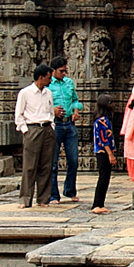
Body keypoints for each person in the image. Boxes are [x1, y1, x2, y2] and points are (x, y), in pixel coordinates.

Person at [13, 63, 56, 208]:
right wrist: (25, 130)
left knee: (46, 165)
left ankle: (43, 198)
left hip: (47, 128)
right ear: (41, 78)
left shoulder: (48, 93)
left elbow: (50, 111)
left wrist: (52, 126)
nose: (50, 81)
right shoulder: (25, 93)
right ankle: (25, 198)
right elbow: (19, 114)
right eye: (48, 78)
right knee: (30, 166)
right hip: (32, 128)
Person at [47, 55, 82, 205]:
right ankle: (53, 194)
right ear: (53, 71)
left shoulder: (68, 83)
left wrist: (76, 110)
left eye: (65, 71)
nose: (64, 74)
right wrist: (52, 109)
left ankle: (70, 190)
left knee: (73, 159)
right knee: (53, 161)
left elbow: (75, 99)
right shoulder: (48, 86)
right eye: (61, 71)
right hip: (55, 123)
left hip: (69, 123)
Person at [90, 94, 117, 214]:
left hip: (104, 151)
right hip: (103, 152)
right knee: (103, 177)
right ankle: (97, 204)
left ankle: (100, 203)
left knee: (105, 177)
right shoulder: (102, 121)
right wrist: (110, 154)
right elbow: (103, 139)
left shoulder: (103, 119)